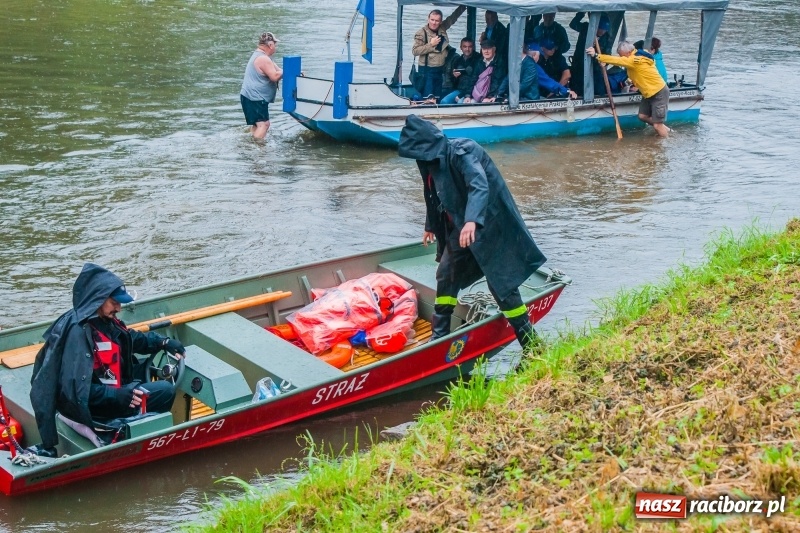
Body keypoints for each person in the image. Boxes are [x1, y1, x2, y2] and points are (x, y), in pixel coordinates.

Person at [398, 115, 547, 351]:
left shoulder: (462, 151)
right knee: (446, 272)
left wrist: (472, 221)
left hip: (492, 224)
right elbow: (433, 194)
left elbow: (478, 185)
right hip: (462, 225)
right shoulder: (429, 162)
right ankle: (439, 335)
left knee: (501, 286)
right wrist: (430, 224)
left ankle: (532, 345)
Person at [28, 264, 186, 457]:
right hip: (94, 408)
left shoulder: (102, 320)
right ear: (98, 299)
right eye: (114, 302)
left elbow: (129, 338)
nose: (119, 308)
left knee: (149, 376)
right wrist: (118, 395)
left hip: (109, 390)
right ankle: (141, 443)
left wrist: (163, 341)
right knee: (166, 391)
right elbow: (77, 393)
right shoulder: (77, 337)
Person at [587, 40, 671, 137]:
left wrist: (597, 55)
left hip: (658, 92)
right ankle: (666, 129)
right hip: (648, 93)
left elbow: (617, 60)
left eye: (621, 55)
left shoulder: (634, 59)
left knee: (657, 125)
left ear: (628, 53)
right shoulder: (639, 54)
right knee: (642, 116)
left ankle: (664, 143)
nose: (621, 57)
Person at [412, 6, 467, 99]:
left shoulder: (442, 28)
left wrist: (463, 6)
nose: (434, 23)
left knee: (437, 96)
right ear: (428, 19)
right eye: (432, 20)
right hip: (426, 70)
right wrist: (431, 45)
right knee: (428, 97)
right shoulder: (421, 33)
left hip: (440, 69)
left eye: (437, 21)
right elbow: (415, 51)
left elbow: (452, 18)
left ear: (440, 21)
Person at [240, 32, 283, 140]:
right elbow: (274, 76)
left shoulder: (262, 56)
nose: (275, 47)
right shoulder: (263, 59)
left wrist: (296, 72)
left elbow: (279, 71)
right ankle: (257, 148)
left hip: (249, 96)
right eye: (275, 44)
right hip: (255, 97)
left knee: (257, 124)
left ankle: (251, 143)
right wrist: (290, 71)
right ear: (270, 45)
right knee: (264, 124)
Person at [501, 42, 576, 100]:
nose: (539, 58)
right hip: (525, 98)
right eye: (538, 55)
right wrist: (566, 91)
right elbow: (548, 82)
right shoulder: (533, 66)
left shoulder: (516, 64)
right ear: (533, 54)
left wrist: (498, 95)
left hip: (513, 95)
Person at [569, 12, 612, 96]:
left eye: (605, 29)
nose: (602, 31)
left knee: (599, 89)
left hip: (596, 67)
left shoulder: (606, 38)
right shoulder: (586, 28)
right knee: (577, 87)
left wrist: (602, 60)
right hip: (579, 65)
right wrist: (582, 12)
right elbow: (573, 24)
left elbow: (607, 55)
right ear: (596, 26)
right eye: (601, 29)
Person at [440, 37, 481, 104]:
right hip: (459, 89)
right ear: (461, 47)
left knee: (460, 103)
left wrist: (463, 95)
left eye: (469, 47)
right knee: (444, 101)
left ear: (473, 47)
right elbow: (453, 81)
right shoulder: (458, 60)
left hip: (472, 91)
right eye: (465, 47)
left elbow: (476, 80)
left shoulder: (478, 59)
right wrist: (454, 76)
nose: (467, 49)